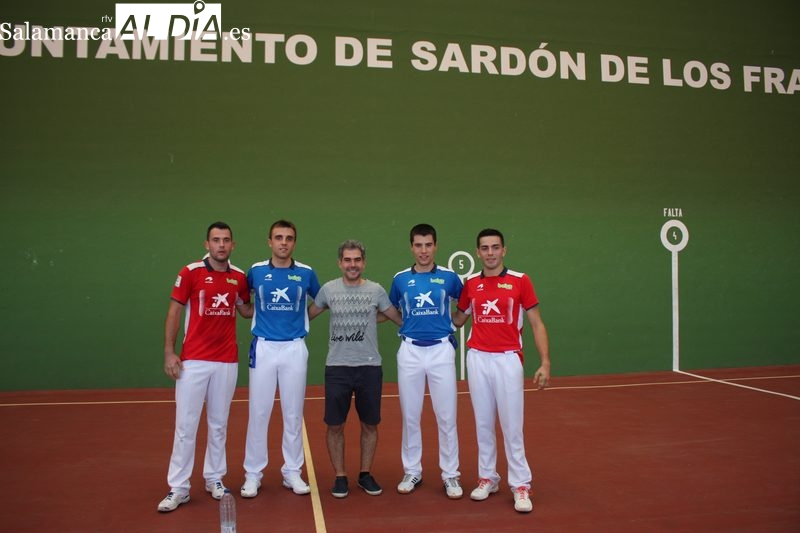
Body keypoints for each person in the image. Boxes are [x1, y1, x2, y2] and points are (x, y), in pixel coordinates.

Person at [452, 228, 551, 514]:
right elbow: (459, 319)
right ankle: (488, 477)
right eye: (485, 248)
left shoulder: (520, 281)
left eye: (496, 247)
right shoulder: (470, 284)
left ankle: (521, 484)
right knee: (483, 423)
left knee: (511, 425)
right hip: (478, 359)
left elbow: (537, 324)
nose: (491, 253)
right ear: (478, 253)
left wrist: (545, 362)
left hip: (508, 360)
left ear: (504, 250)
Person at [158, 221, 251, 513]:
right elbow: (174, 310)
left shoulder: (239, 277)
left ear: (233, 245)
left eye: (226, 240)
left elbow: (246, 310)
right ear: (206, 244)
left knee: (219, 424)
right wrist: (169, 352)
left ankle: (214, 478)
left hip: (226, 362)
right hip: (194, 361)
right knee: (186, 426)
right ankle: (179, 487)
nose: (221, 245)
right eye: (215, 240)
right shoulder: (190, 272)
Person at [308, 239, 402, 498]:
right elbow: (306, 314)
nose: (352, 264)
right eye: (347, 260)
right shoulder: (328, 290)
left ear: (364, 262)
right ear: (340, 263)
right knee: (335, 425)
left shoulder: (376, 291)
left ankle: (365, 473)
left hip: (370, 367)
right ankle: (340, 475)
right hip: (337, 367)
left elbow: (396, 317)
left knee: (370, 424)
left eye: (357, 260)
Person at [240, 219, 321, 498]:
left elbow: (320, 301)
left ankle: (292, 472)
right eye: (278, 237)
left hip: (295, 349)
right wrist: (253, 312)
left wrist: (302, 319)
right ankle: (253, 474)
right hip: (263, 349)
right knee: (259, 412)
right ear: (270, 241)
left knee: (293, 412)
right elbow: (244, 305)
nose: (283, 242)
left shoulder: (307, 273)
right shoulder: (256, 271)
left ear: (294, 242)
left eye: (288, 238)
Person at [389, 224, 464, 498]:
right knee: (411, 415)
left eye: (428, 245)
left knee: (446, 416)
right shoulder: (400, 279)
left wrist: (452, 325)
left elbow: (464, 306)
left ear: (436, 246)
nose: (423, 250)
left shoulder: (449, 277)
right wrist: (406, 324)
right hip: (409, 352)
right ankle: (412, 470)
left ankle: (451, 475)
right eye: (418, 245)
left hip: (441, 352)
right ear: (412, 247)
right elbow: (391, 310)